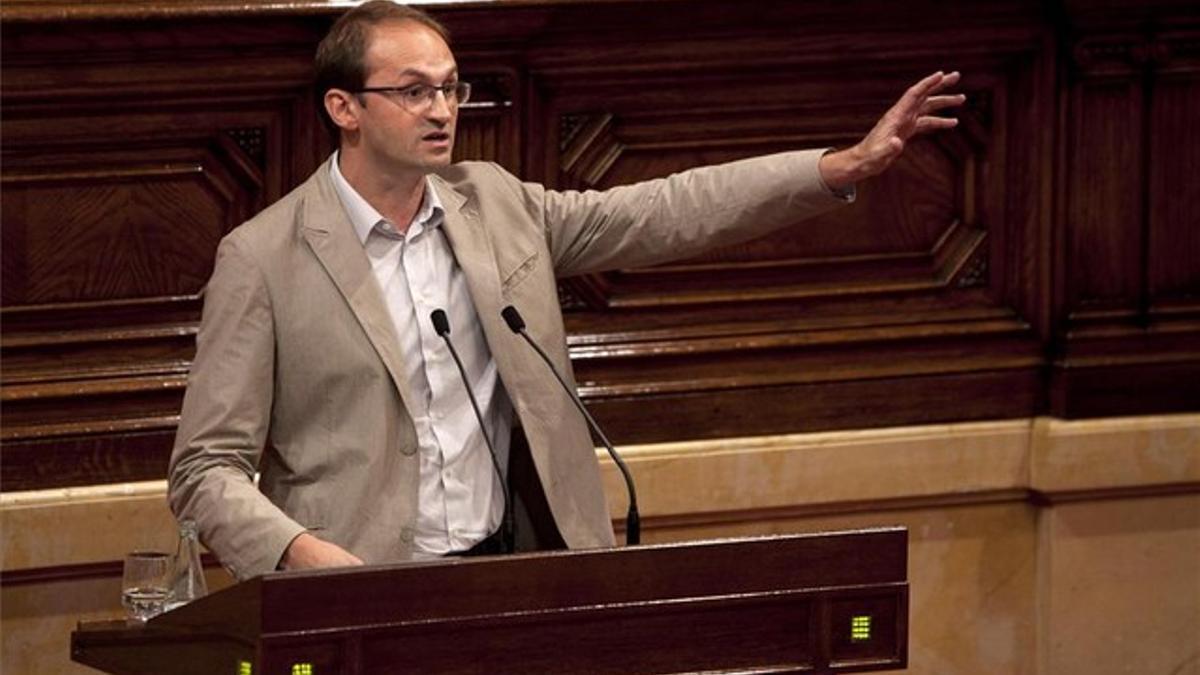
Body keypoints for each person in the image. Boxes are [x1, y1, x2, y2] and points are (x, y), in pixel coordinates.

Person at [167, 0, 964, 581]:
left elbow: (666, 210)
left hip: (514, 577)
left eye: (451, 88)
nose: (442, 110)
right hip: (357, 592)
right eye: (413, 91)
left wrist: (838, 167)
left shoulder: (499, 205)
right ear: (343, 106)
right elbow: (205, 468)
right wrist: (299, 554)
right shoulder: (263, 257)